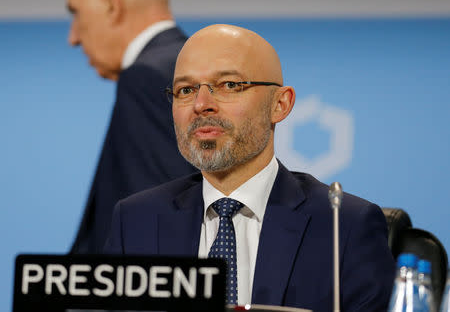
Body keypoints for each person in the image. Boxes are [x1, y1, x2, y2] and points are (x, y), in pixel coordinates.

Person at [104, 24, 395, 311]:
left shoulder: (344, 226)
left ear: (280, 104)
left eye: (229, 85)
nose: (201, 104)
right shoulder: (136, 221)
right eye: (186, 89)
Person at [66, 0, 196, 253]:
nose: (73, 37)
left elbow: (155, 226)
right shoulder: (189, 66)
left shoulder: (147, 78)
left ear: (112, 4)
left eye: (76, 14)